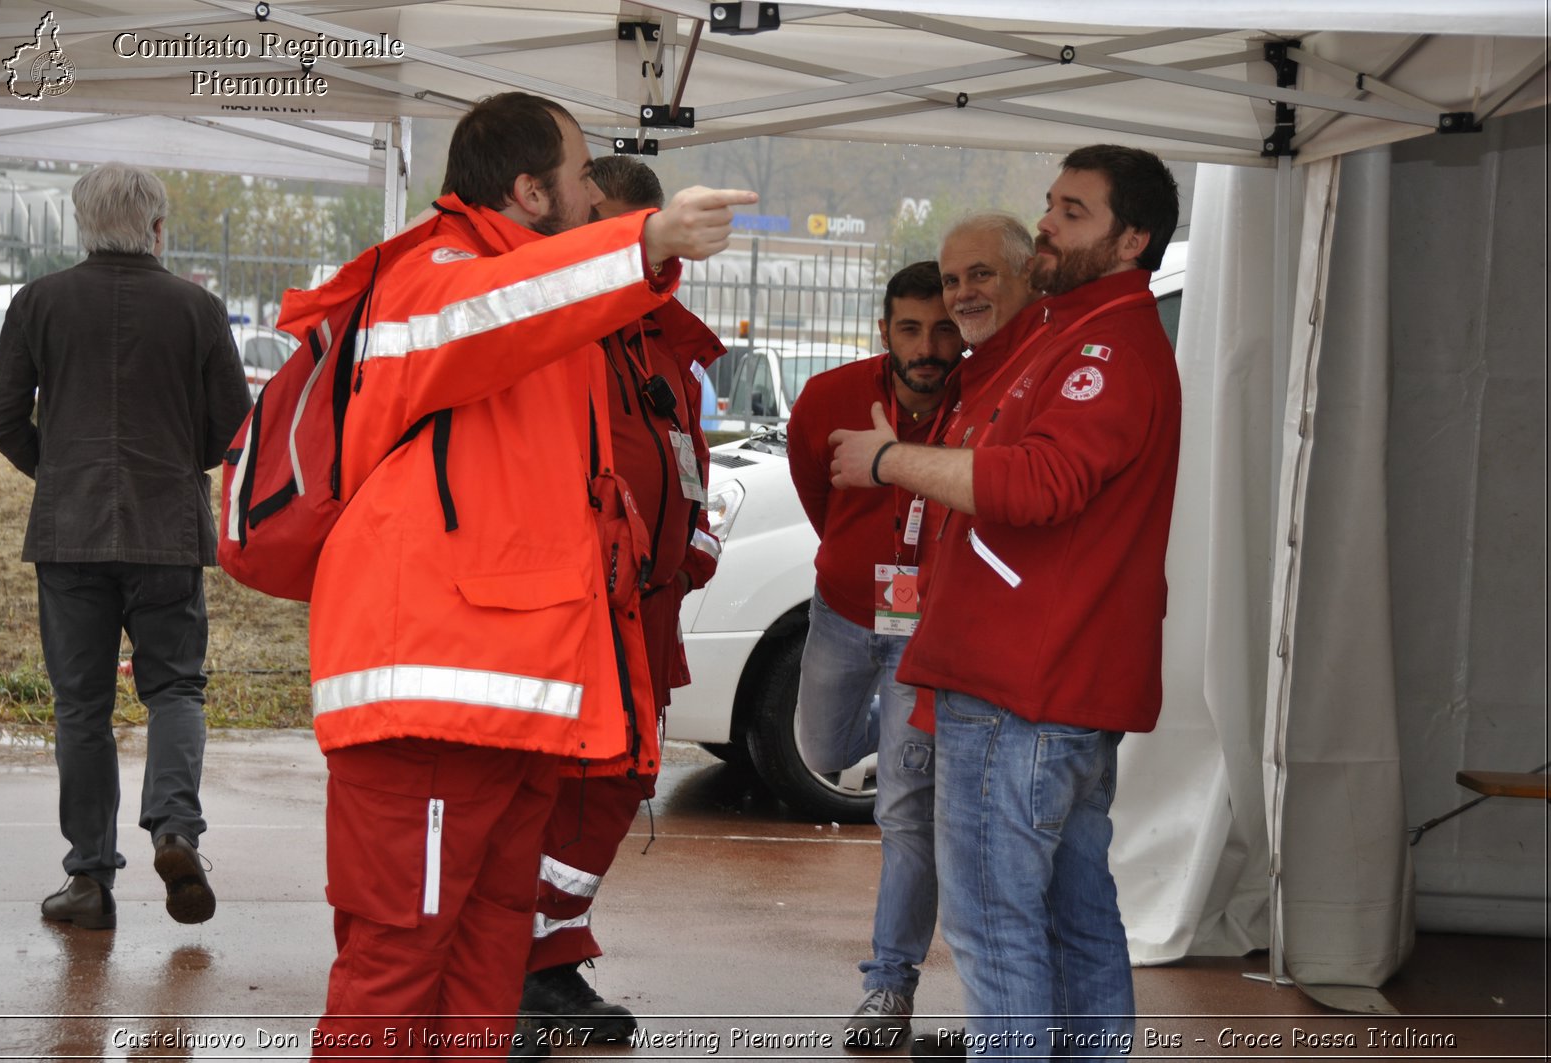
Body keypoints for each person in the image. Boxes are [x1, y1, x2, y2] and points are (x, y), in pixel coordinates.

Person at [289, 92, 753, 1058]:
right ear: (530, 189)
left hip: (510, 704)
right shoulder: (433, 277)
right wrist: (649, 239)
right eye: (584, 177)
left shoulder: (541, 308)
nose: (596, 195)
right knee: (398, 965)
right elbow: (507, 303)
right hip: (431, 702)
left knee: (487, 967)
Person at [829, 145, 1182, 1060]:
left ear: (1133, 238)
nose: (1050, 225)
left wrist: (888, 460)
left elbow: (1040, 484)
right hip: (1030, 680)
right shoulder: (1070, 334)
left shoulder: (1105, 344)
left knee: (997, 928)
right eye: (1052, 203)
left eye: (1074, 210)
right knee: (1069, 919)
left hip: (1024, 683)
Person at [0, 163, 251, 930]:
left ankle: (90, 880)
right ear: (158, 229)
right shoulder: (199, 309)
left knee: (81, 709)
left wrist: (60, 470)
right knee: (175, 689)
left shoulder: (38, 301)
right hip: (167, 530)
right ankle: (174, 826)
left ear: (82, 227)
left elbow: (0, 416)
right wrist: (178, 464)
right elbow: (235, 429)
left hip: (68, 535)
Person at [520, 154, 725, 1042]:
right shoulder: (559, 326)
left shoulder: (659, 337)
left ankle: (548, 960)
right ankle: (518, 967)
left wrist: (694, 538)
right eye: (640, 241)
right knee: (561, 788)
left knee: (619, 780)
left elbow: (685, 454)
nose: (655, 260)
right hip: (576, 616)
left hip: (646, 612)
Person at [784, 260, 963, 1046]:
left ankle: (888, 987)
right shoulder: (829, 398)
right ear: (884, 330)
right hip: (842, 613)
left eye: (944, 327)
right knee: (819, 748)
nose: (929, 346)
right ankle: (898, 746)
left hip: (926, 635)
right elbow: (814, 492)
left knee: (903, 809)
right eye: (911, 328)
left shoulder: (977, 404)